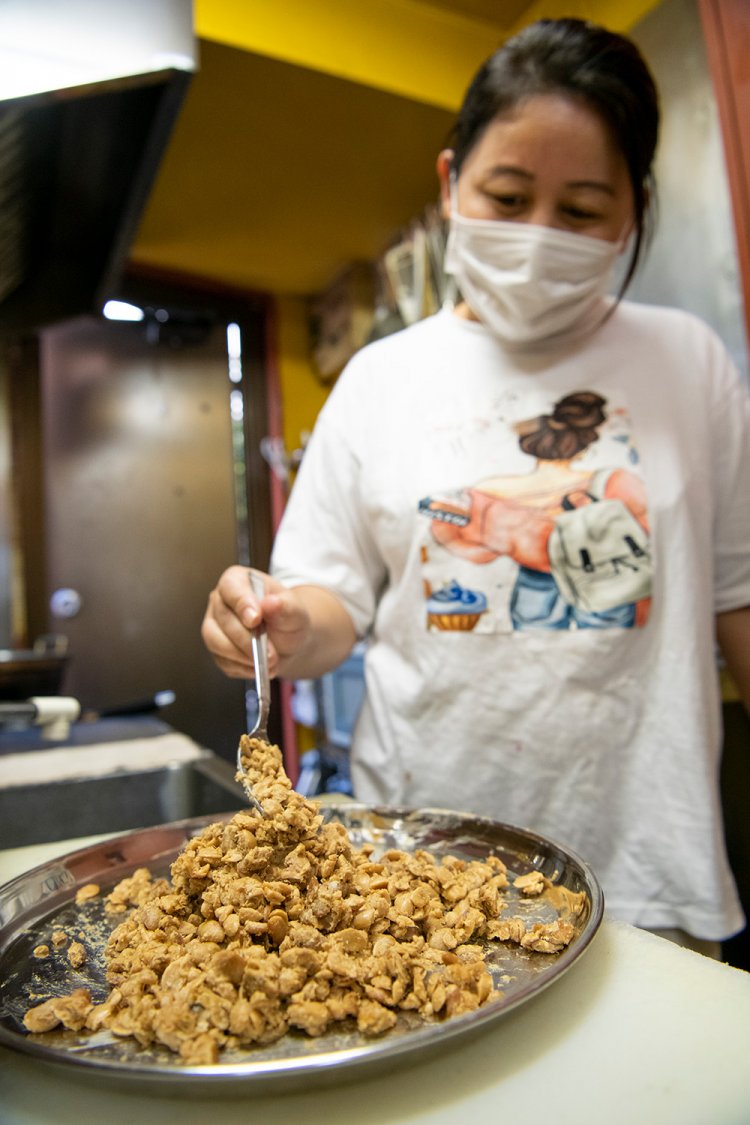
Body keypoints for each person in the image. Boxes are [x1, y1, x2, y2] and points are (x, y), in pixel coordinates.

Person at [202, 18, 750, 954]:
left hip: (646, 863)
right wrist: (284, 623)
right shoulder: (380, 379)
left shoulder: (687, 362)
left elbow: (738, 595)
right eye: (507, 194)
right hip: (415, 875)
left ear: (634, 209)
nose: (540, 235)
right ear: (452, 181)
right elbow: (329, 604)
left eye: (581, 211)